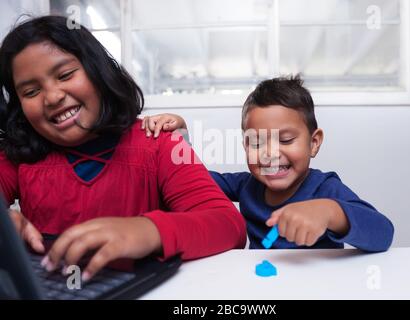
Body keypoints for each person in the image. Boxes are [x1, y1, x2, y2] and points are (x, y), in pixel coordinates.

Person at [0, 15, 246, 282]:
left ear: (98, 72)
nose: (53, 97)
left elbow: (228, 225)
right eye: (31, 92)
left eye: (65, 75)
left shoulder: (162, 143)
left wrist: (148, 230)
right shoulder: (17, 156)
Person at [142, 75, 395, 252]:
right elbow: (190, 181)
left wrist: (330, 213)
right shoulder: (245, 185)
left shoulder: (325, 188)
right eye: (256, 143)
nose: (270, 154)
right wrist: (179, 138)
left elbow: (383, 233)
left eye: (286, 140)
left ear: (314, 143)